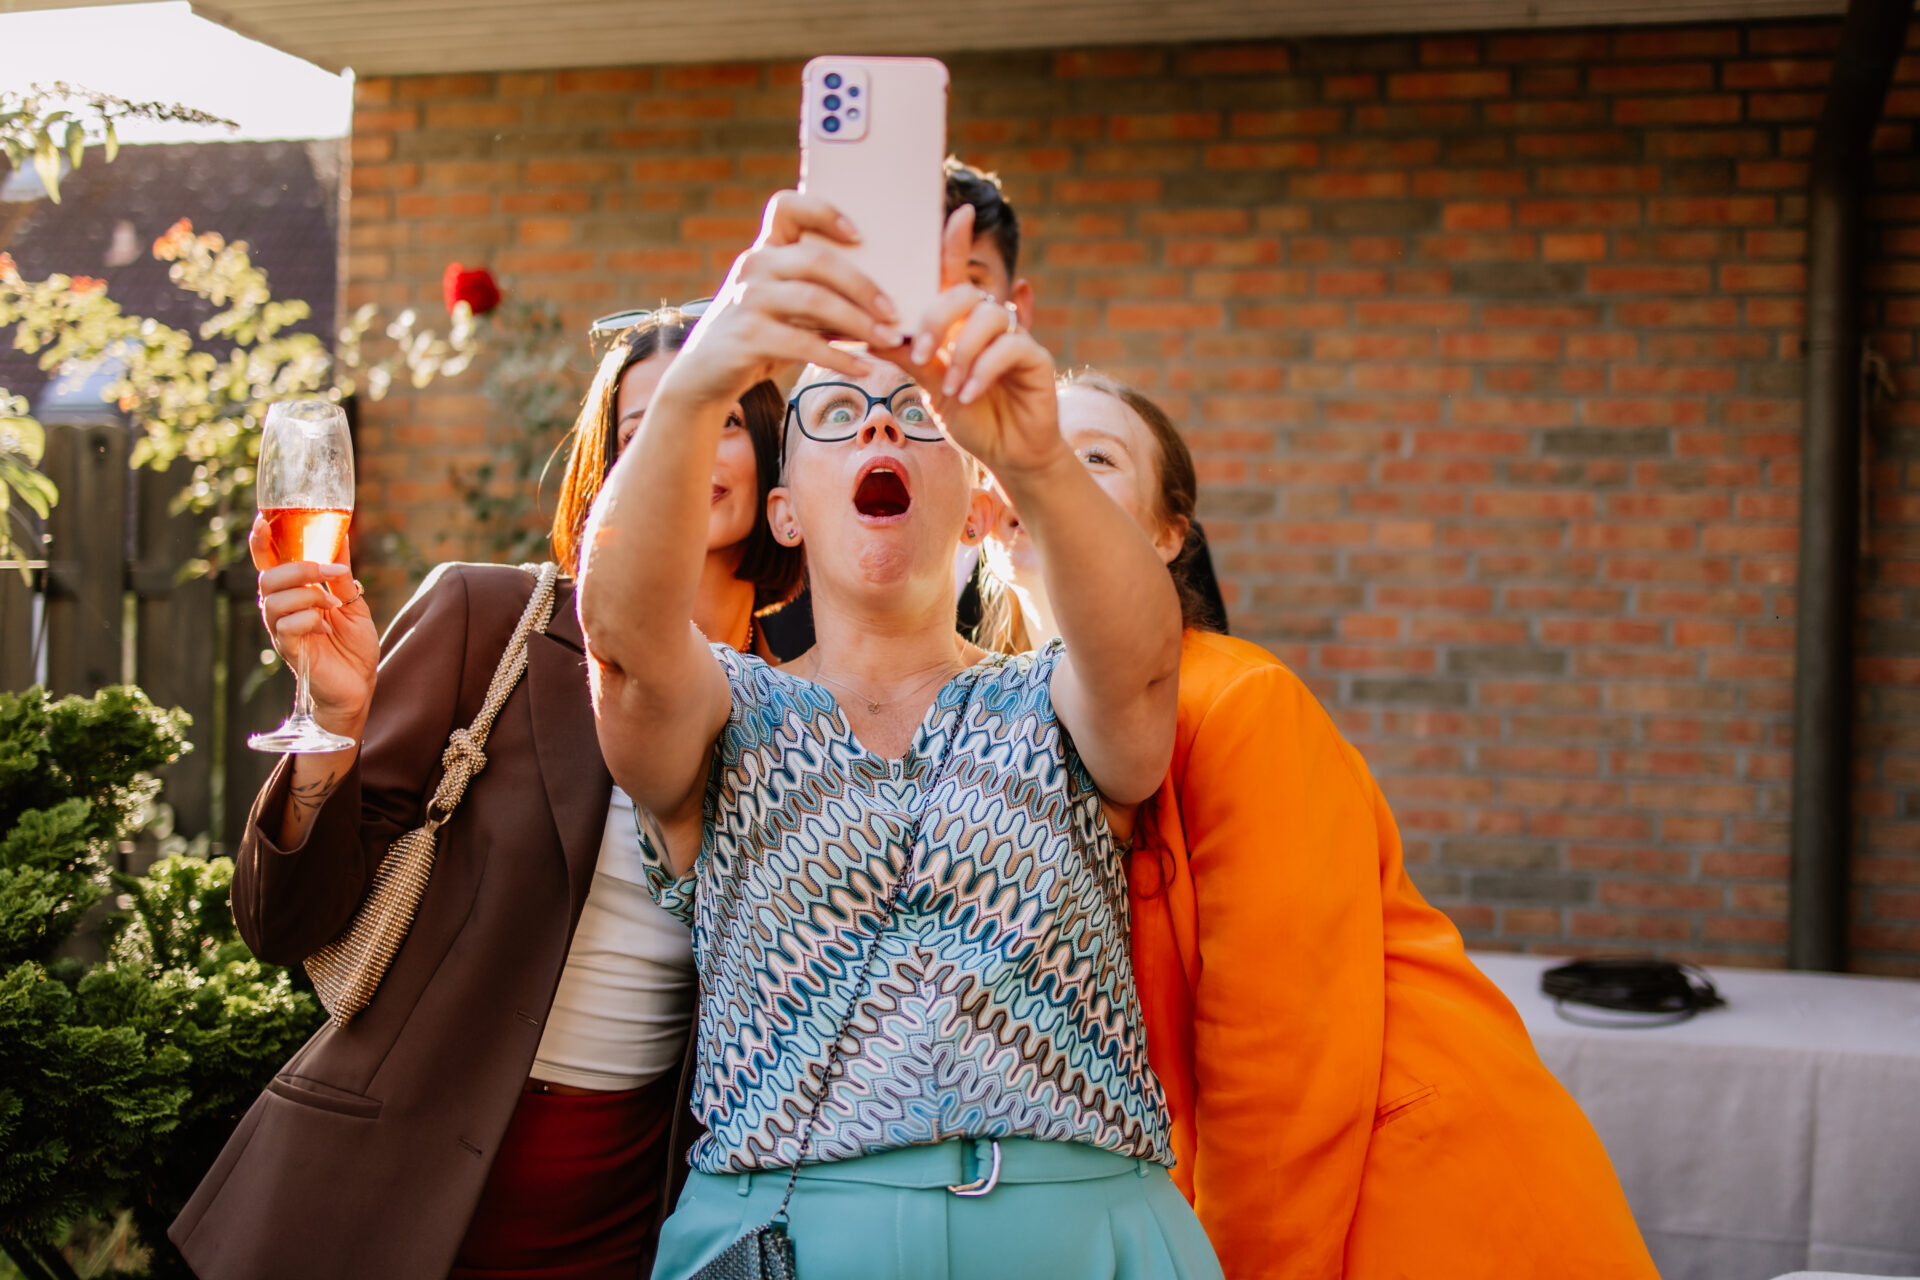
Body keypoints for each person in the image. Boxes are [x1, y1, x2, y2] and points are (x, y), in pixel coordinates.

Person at [577, 191, 1220, 1279]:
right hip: (787, 1239)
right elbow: (625, 642)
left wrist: (1035, 453)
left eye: (916, 412)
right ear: (785, 511)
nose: (879, 427)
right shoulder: (724, 709)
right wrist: (697, 382)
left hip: (1088, 1239)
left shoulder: (1054, 697)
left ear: (972, 500)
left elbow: (1146, 661)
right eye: (835, 413)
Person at [982, 371, 1661, 1280]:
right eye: (1027, 451)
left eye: (1095, 457)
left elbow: (1281, 1066)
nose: (1050, 470)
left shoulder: (1240, 703)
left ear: (1168, 534)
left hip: (1419, 1195)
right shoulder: (995, 730)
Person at [168, 307, 802, 1280]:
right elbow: (283, 920)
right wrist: (334, 716)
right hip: (387, 1202)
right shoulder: (492, 619)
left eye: (715, 417)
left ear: (772, 465)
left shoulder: (800, 710)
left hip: (629, 1221)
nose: (679, 446)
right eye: (644, 426)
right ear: (606, 470)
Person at [758, 158, 1225, 660]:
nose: (933, 310)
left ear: (1018, 306)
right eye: (910, 284)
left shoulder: (1111, 525)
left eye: (965, 281)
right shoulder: (806, 507)